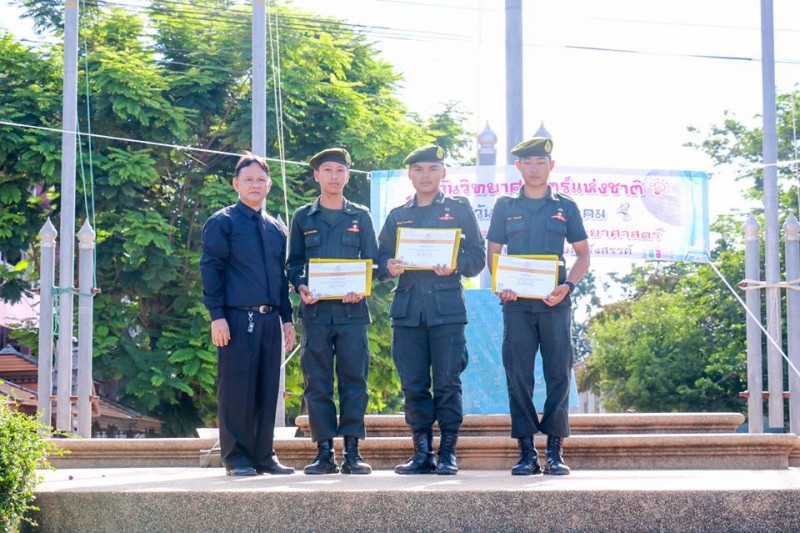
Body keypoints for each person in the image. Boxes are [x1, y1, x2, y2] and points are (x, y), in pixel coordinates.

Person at [377, 144, 486, 475]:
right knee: (413, 384)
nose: (426, 176)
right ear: (409, 174)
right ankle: (422, 453)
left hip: (447, 312)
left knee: (448, 382)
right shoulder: (397, 216)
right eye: (419, 169)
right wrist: (389, 266)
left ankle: (448, 453)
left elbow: (477, 259)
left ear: (443, 173)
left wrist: (455, 264)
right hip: (408, 312)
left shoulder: (458, 210)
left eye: (432, 169)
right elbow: (378, 261)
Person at [486, 136, 590, 476]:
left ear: (551, 166)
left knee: (558, 372)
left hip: (554, 302)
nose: (534, 168)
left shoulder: (566, 207)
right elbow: (494, 251)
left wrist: (567, 286)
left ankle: (555, 451)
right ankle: (527, 451)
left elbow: (583, 255)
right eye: (527, 163)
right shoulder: (505, 205)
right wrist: (500, 285)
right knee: (518, 375)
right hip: (516, 304)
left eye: (540, 162)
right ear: (518, 167)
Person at [200, 152, 297, 476]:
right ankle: (236, 458)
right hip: (236, 319)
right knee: (236, 390)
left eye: (260, 179)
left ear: (269, 184)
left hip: (270, 319)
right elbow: (211, 269)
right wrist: (216, 316)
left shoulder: (276, 228)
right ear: (236, 184)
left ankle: (264, 456)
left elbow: (281, 278)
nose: (255, 185)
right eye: (248, 179)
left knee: (268, 391)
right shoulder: (223, 222)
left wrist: (287, 320)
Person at [287, 147, 378, 475]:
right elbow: (293, 263)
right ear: (317, 175)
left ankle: (352, 451)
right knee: (317, 383)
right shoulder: (303, 217)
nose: (334, 177)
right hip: (316, 314)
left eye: (340, 171)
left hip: (352, 313)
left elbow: (374, 262)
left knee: (355, 381)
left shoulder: (360, 216)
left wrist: (362, 286)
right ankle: (324, 452)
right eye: (327, 170)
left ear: (348, 176)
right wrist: (301, 286)